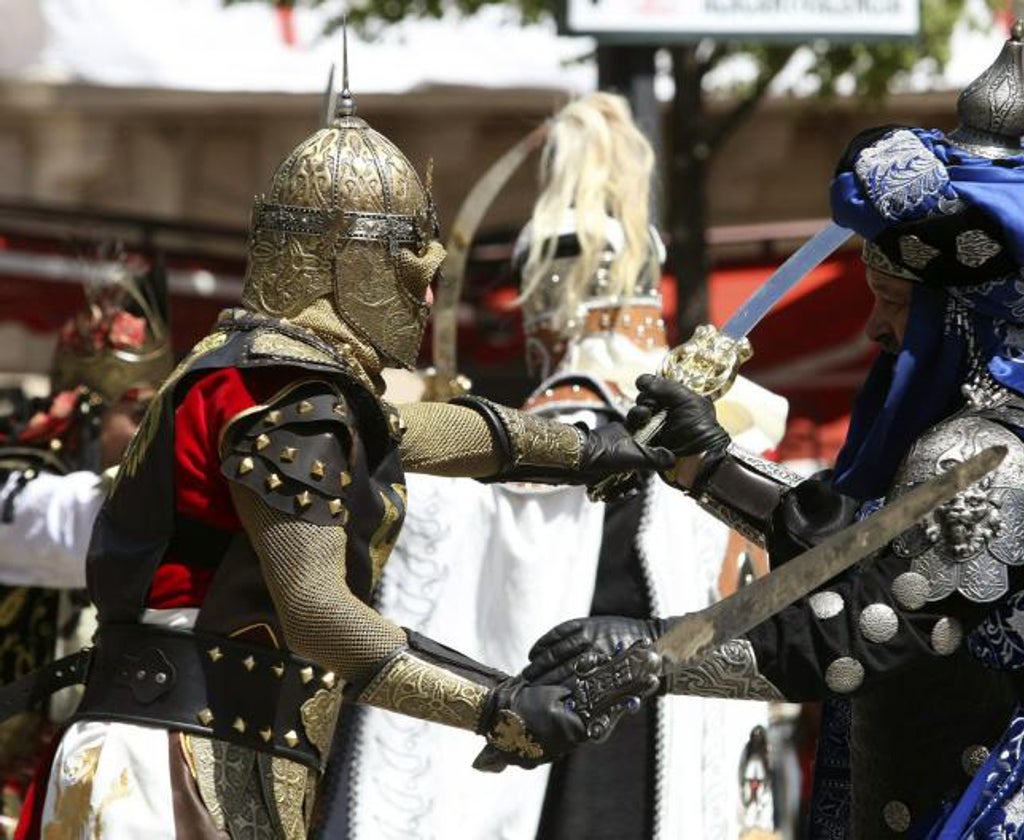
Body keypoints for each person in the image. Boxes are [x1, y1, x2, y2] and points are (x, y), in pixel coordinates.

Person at [526, 22, 1024, 838]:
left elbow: (860, 629)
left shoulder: (987, 455)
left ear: (965, 309)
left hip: (1015, 795)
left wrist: (650, 652)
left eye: (897, 303)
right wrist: (706, 464)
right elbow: (867, 541)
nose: (877, 330)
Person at [21, 70, 670, 839]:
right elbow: (320, 617)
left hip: (179, 744)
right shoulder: (289, 397)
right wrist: (496, 706)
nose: (426, 300)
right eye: (409, 271)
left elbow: (412, 432)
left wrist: (594, 448)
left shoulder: (252, 372)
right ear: (347, 265)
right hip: (179, 766)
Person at [322, 91, 787, 840]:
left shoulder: (577, 431)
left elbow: (474, 533)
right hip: (650, 743)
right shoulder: (726, 442)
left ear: (545, 302)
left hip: (611, 747)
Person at [0, 266, 170, 837]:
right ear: (89, 411)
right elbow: (75, 526)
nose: (153, 435)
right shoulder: (16, 484)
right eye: (139, 417)